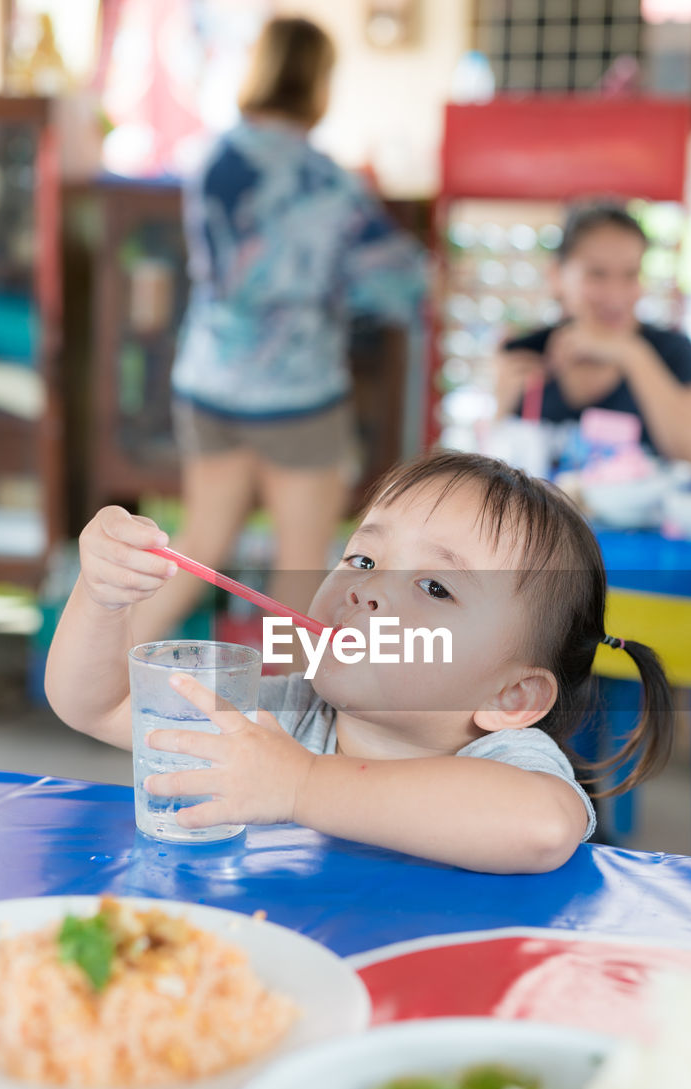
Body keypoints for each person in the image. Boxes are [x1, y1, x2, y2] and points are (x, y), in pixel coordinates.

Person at [45, 451, 674, 874]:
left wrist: (300, 786)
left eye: (435, 588)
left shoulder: (506, 761)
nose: (365, 589)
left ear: (511, 700)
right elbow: (101, 705)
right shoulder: (283, 719)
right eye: (365, 560)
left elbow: (541, 824)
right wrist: (100, 596)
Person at [131, 16, 426, 643]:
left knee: (201, 545)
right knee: (298, 568)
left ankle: (107, 668)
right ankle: (284, 727)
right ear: (320, 81)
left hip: (209, 381)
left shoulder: (212, 157)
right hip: (296, 395)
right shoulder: (327, 183)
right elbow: (401, 286)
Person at [494, 202, 691, 463]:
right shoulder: (523, 354)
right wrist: (499, 408)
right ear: (557, 276)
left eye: (631, 274)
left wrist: (631, 353)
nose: (616, 294)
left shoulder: (677, 354)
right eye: (597, 274)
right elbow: (496, 469)